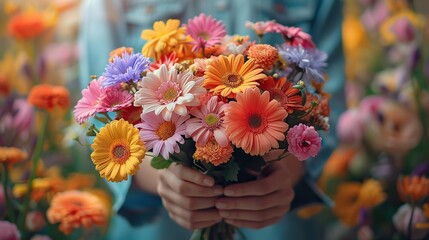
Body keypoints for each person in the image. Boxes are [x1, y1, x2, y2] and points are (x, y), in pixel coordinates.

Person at [78, 0, 345, 239]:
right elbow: (104, 122)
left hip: (279, 224)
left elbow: (326, 107)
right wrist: (160, 178)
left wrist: (284, 174)